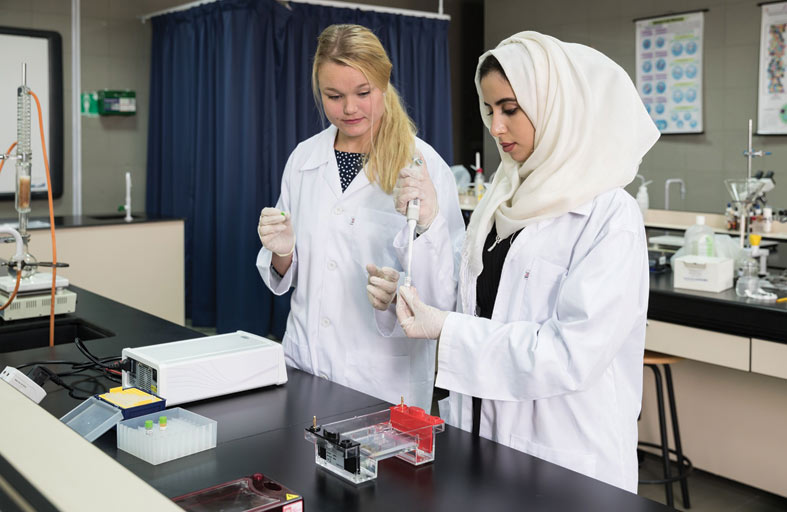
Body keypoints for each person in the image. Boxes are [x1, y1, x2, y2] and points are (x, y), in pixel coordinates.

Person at [393, 32, 660, 492]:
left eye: (511, 109)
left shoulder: (609, 214)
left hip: (563, 450)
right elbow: (477, 301)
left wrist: (448, 329)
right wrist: (420, 263)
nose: (496, 127)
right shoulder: (502, 197)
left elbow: (571, 353)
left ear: (555, 107)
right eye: (489, 110)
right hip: (482, 433)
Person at [256, 24, 464, 411]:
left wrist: (400, 292)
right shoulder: (304, 159)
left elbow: (448, 290)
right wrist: (283, 252)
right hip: (304, 361)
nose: (349, 108)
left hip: (382, 378)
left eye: (363, 93)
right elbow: (294, 274)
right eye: (334, 96)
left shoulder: (423, 165)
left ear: (384, 83)